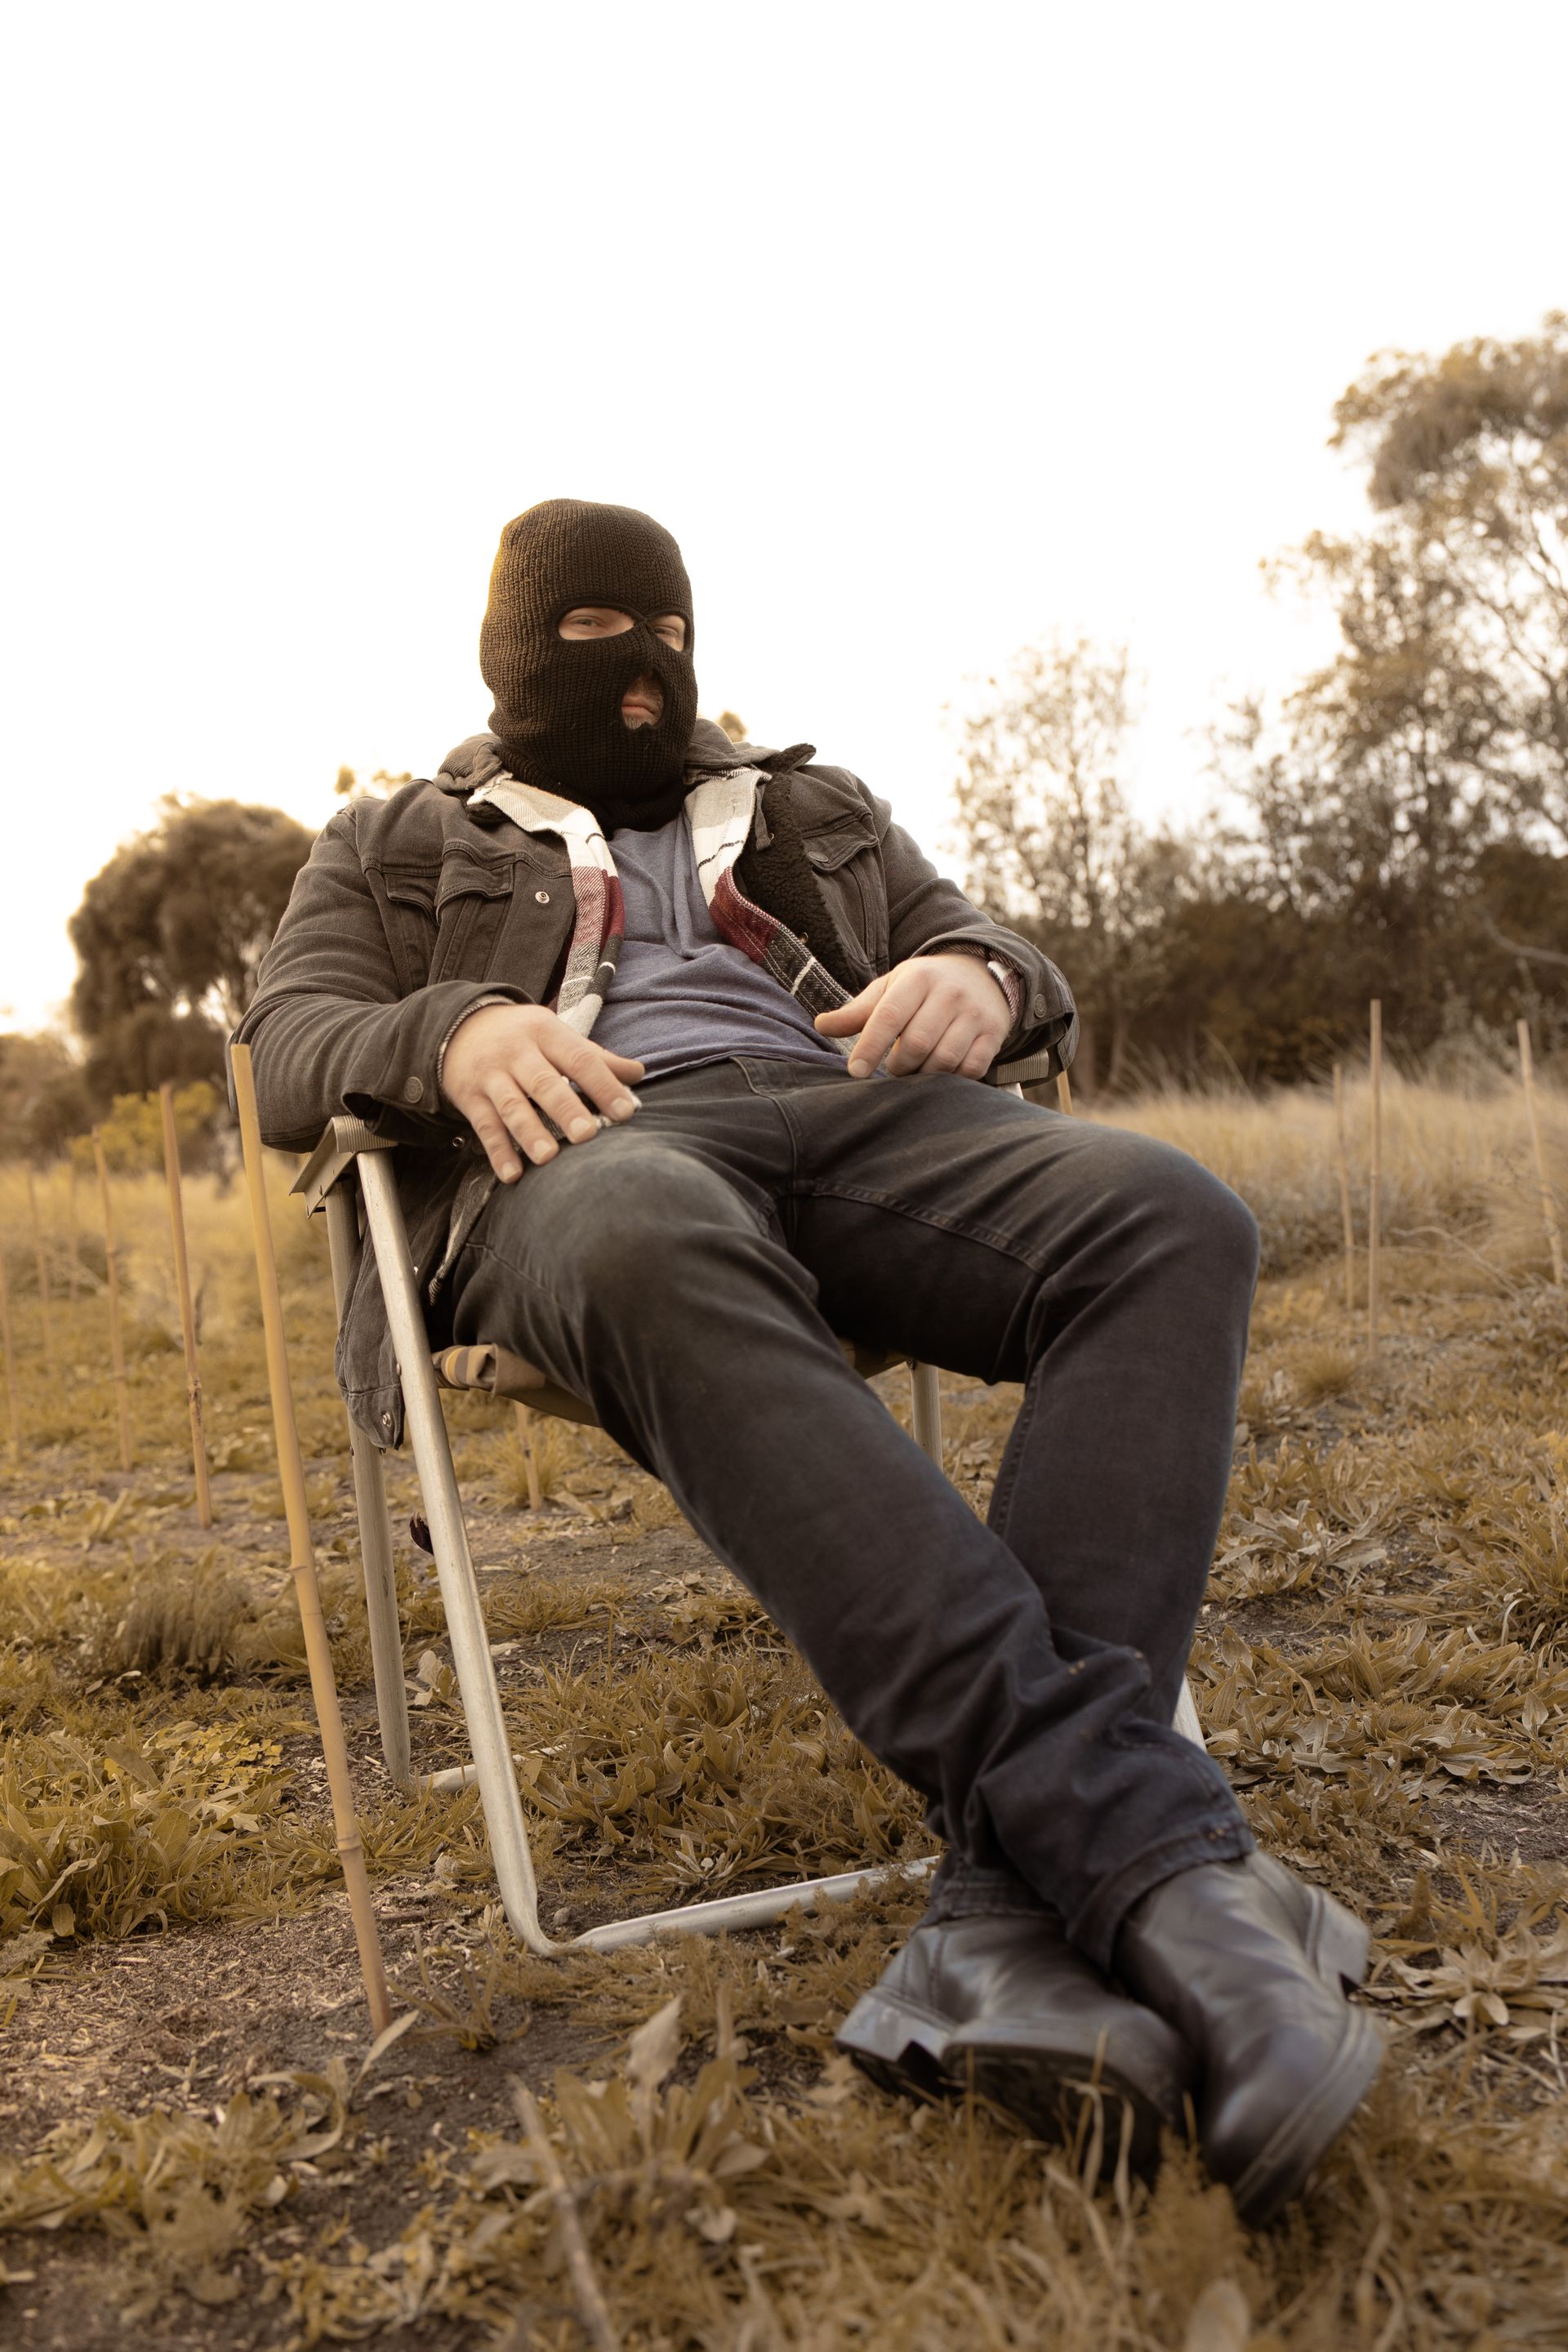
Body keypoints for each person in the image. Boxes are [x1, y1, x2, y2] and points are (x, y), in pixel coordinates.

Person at [238, 498, 1381, 2222]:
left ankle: (1010, 1919)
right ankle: (1167, 1875)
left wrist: (981, 981)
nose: (639, 678)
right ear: (508, 653)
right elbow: (287, 1044)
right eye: (588, 641)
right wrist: (452, 1026)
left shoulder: (813, 805)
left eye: (662, 640)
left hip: (859, 1118)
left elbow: (1008, 954)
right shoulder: (399, 836)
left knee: (1167, 1212)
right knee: (641, 1231)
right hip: (586, 1154)